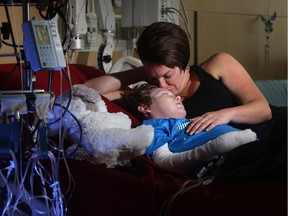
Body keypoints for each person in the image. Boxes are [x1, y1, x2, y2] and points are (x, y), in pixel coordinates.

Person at [85, 22, 286, 180]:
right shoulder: (152, 99)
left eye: (168, 76)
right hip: (244, 153)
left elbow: (263, 109)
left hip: (275, 125)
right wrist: (146, 72)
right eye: (154, 78)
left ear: (184, 64)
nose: (162, 85)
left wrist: (225, 115)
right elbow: (87, 92)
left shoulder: (217, 65)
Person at [122, 83, 257, 174]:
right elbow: (165, 161)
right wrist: (218, 146)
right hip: (226, 158)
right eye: (166, 95)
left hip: (249, 144)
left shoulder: (185, 121)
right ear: (144, 108)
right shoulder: (152, 127)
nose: (178, 97)